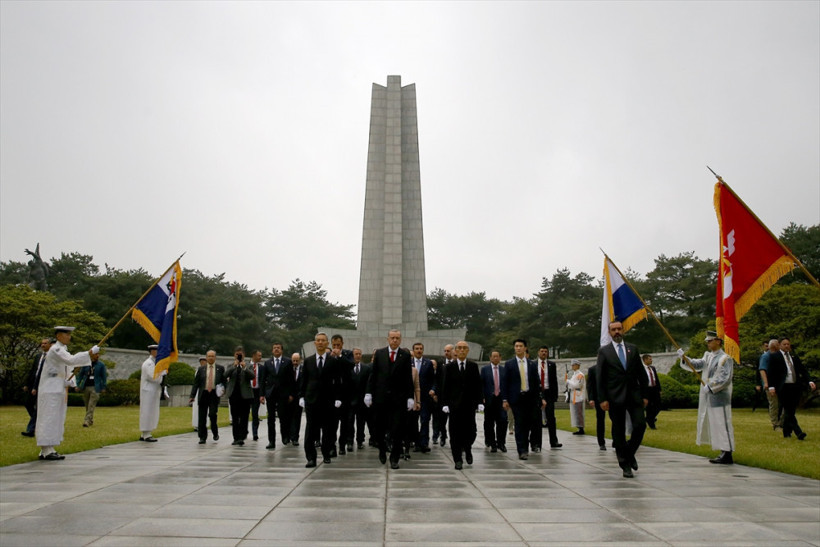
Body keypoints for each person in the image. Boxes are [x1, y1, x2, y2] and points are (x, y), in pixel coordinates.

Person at [36, 326, 99, 460]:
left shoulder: (63, 349)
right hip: (50, 389)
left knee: (56, 418)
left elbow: (68, 368)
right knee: (49, 417)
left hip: (57, 387)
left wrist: (69, 381)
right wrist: (89, 353)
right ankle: (45, 449)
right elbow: (71, 360)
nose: (69, 337)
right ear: (59, 336)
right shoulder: (56, 349)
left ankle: (50, 447)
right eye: (67, 334)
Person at [596, 320, 648, 478]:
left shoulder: (633, 349)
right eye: (614, 330)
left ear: (623, 330)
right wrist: (602, 399)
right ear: (609, 332)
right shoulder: (604, 352)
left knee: (640, 425)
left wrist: (645, 395)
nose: (617, 332)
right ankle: (624, 464)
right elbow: (600, 377)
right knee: (618, 430)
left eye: (619, 329)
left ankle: (629, 453)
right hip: (614, 397)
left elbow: (641, 373)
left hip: (634, 395)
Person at [677, 331, 735, 464]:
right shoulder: (708, 356)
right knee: (715, 424)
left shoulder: (725, 358)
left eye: (710, 341)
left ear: (718, 341)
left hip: (720, 396)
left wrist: (711, 386)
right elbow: (697, 365)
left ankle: (728, 452)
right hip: (710, 396)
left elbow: (725, 378)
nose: (708, 343)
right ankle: (722, 450)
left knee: (723, 424)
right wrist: (685, 358)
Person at [364, 329, 414, 469]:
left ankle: (394, 458)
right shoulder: (380, 353)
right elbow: (373, 375)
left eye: (397, 338)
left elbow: (408, 378)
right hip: (381, 398)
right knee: (379, 427)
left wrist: (410, 397)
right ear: (388, 339)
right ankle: (382, 448)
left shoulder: (405, 355)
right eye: (392, 338)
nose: (394, 340)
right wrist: (368, 393)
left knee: (397, 429)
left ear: (400, 339)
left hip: (398, 399)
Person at [299, 332, 343, 467]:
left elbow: (338, 381)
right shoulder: (308, 361)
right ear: (315, 343)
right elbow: (304, 380)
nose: (320, 342)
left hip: (328, 400)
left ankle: (326, 454)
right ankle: (310, 458)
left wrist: (338, 397)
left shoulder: (333, 361)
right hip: (311, 400)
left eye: (323, 340)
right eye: (318, 340)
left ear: (327, 343)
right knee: (311, 430)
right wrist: (301, 396)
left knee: (328, 429)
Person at [440, 341, 484, 470]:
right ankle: (457, 459)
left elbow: (478, 385)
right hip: (454, 405)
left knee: (470, 431)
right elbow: (445, 386)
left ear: (468, 350)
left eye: (464, 348)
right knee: (455, 432)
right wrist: (445, 403)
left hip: (469, 405)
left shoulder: (473, 366)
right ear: (455, 351)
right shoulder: (449, 367)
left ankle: (468, 449)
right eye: (459, 348)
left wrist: (480, 402)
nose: (462, 350)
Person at [502, 339, 546, 460]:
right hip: (517, 398)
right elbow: (505, 382)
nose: (518, 348)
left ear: (525, 348)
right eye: (516, 346)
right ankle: (522, 450)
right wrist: (505, 399)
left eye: (520, 346)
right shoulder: (509, 364)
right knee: (520, 423)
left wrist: (541, 398)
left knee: (529, 423)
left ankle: (529, 444)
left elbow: (537, 382)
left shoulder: (531, 364)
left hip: (530, 398)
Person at [768, 337, 817, 440]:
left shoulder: (794, 357)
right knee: (788, 409)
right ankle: (798, 432)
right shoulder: (775, 357)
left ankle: (787, 432)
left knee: (791, 410)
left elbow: (802, 370)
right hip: (783, 387)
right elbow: (771, 372)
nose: (787, 346)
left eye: (788, 344)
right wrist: (771, 386)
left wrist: (810, 381)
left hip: (794, 386)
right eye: (784, 344)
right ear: (779, 345)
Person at [189, 350, 225, 444]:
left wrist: (223, 389)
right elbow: (196, 383)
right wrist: (192, 395)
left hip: (214, 394)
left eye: (212, 356)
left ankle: (215, 431)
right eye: (209, 356)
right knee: (202, 417)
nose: (211, 358)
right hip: (203, 394)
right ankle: (202, 437)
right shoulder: (201, 369)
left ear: (215, 357)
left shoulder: (220, 368)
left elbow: (224, 381)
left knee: (212, 414)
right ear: (206, 357)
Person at [532, 345, 561, 451]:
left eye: (545, 351)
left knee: (551, 418)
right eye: (542, 351)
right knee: (537, 419)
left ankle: (553, 441)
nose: (544, 353)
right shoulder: (533, 364)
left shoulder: (551, 365)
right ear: (538, 352)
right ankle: (536, 443)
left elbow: (554, 380)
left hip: (548, 393)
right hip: (537, 393)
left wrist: (555, 395)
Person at [21, 338, 52, 437]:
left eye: (45, 343)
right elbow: (33, 371)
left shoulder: (52, 357)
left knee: (39, 408)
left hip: (43, 384)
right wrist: (27, 384)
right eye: (42, 343)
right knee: (28, 404)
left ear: (50, 345)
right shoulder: (38, 356)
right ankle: (39, 421)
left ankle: (31, 429)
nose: (43, 345)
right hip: (33, 384)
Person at [225, 346, 254, 446]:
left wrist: (244, 368)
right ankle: (236, 437)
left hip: (245, 394)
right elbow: (225, 375)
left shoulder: (249, 365)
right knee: (235, 417)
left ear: (244, 355)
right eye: (237, 354)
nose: (239, 356)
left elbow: (252, 376)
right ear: (234, 355)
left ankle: (242, 436)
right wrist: (234, 366)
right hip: (234, 394)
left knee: (244, 416)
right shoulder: (231, 365)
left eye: (240, 354)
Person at [330, 334, 354, 455]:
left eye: (338, 345)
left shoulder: (348, 354)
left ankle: (342, 445)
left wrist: (339, 355)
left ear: (342, 344)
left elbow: (351, 365)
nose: (336, 347)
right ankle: (331, 446)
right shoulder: (329, 356)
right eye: (334, 345)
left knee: (345, 422)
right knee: (332, 423)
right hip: (332, 393)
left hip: (345, 393)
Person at [480, 350, 507, 452]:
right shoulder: (485, 369)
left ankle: (501, 443)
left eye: (497, 356)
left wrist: (506, 399)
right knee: (489, 423)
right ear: (490, 358)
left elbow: (506, 385)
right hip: (489, 399)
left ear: (500, 358)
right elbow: (481, 384)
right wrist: (482, 397)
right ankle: (492, 443)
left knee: (502, 421)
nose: (495, 358)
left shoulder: (504, 370)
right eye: (493, 356)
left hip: (500, 399)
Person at [412, 342, 435, 454]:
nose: (419, 350)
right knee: (413, 421)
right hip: (413, 397)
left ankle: (424, 443)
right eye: (417, 348)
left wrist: (433, 389)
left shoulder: (428, 363)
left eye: (421, 348)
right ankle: (416, 442)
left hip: (425, 397)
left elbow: (433, 379)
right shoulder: (409, 363)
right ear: (413, 351)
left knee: (425, 420)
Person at [75, 351, 107, 427]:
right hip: (86, 387)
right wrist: (77, 385)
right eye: (96, 354)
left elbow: (104, 377)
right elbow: (80, 375)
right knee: (87, 405)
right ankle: (90, 420)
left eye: (98, 354)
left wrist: (103, 387)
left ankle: (86, 421)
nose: (97, 356)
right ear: (91, 355)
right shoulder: (86, 364)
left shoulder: (101, 365)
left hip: (95, 387)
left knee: (91, 405)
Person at [347, 348, 371, 449]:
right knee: (349, 422)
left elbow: (369, 383)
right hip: (350, 400)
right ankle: (349, 441)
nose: (358, 356)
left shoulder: (366, 368)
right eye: (356, 354)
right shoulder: (347, 368)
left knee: (361, 422)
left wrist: (368, 395)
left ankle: (360, 440)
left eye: (359, 354)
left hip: (362, 400)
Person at [433, 343, 454, 447]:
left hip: (453, 396)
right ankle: (443, 435)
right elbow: (437, 379)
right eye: (445, 351)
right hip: (442, 396)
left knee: (453, 420)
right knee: (441, 419)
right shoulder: (440, 363)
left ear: (453, 351)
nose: (446, 353)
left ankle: (454, 438)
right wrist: (436, 394)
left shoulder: (456, 363)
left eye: (448, 351)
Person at [758, 339, 782, 430]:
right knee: (774, 404)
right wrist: (766, 383)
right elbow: (762, 370)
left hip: (780, 383)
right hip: (770, 384)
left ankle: (782, 422)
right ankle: (775, 424)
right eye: (778, 345)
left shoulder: (779, 355)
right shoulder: (766, 356)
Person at [585, 363, 606, 450]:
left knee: (616, 419)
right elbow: (590, 385)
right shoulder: (593, 369)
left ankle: (616, 441)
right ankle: (601, 442)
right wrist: (591, 398)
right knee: (600, 419)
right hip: (599, 398)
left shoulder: (612, 367)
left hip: (612, 396)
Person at [247, 350, 264, 441]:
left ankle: (255, 432)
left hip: (256, 392)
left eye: (261, 355)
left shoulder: (261, 367)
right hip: (247, 392)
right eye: (259, 355)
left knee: (255, 413)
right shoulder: (246, 365)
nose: (260, 357)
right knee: (245, 413)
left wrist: (262, 395)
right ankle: (244, 431)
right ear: (253, 355)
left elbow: (263, 381)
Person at [642, 354, 662, 430]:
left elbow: (656, 379)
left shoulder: (652, 368)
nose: (651, 360)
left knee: (658, 406)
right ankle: (651, 424)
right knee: (649, 407)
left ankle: (648, 418)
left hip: (654, 389)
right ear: (645, 360)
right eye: (650, 359)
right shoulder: (641, 369)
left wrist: (659, 389)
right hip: (647, 390)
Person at [566, 359, 585, 435]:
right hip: (573, 395)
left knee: (579, 413)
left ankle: (581, 428)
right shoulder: (574, 375)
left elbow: (577, 385)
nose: (572, 366)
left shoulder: (580, 375)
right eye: (572, 365)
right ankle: (578, 427)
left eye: (574, 365)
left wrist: (568, 381)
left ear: (577, 365)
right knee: (575, 413)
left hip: (578, 396)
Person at [289, 353, 303, 446]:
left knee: (297, 418)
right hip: (289, 397)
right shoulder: (288, 369)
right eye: (293, 360)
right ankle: (288, 435)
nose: (295, 362)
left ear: (300, 360)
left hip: (299, 397)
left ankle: (295, 438)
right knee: (288, 417)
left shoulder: (304, 370)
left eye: (297, 361)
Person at [192, 357, 207, 431]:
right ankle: (196, 425)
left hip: (206, 391)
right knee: (196, 409)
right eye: (201, 361)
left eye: (204, 361)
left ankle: (204, 425)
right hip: (198, 391)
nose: (202, 363)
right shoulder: (198, 370)